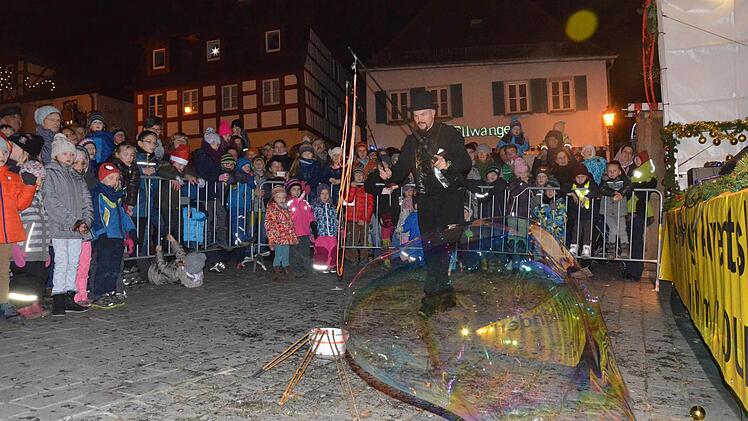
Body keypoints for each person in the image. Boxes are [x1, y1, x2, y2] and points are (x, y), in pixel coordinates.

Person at [378, 89, 471, 317]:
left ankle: (431, 297)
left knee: (442, 248)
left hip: (450, 200)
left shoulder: (449, 133)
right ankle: (445, 295)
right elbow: (401, 171)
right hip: (426, 201)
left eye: (423, 114)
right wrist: (389, 176)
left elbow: (464, 161)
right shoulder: (411, 141)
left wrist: (447, 163)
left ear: (433, 113)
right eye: (416, 115)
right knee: (432, 249)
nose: (419, 119)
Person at [44, 137, 92, 316]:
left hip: (77, 230)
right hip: (60, 228)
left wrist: (86, 222)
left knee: (74, 263)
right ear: (56, 154)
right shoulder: (50, 174)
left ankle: (70, 296)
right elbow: (51, 202)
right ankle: (58, 298)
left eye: (72, 154)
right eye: (65, 153)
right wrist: (73, 222)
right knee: (62, 262)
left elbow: (87, 202)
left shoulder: (77, 177)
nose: (70, 157)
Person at [89, 163, 136, 309]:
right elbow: (97, 215)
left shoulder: (117, 197)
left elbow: (123, 215)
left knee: (114, 267)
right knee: (103, 266)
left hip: (117, 236)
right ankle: (98, 294)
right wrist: (100, 232)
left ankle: (110, 290)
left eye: (116, 178)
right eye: (111, 178)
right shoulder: (99, 194)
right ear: (102, 179)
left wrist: (131, 229)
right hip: (105, 236)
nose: (114, 181)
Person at [0, 140, 37, 321]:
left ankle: (3, 302)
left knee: (3, 270)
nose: (2, 155)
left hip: (7, 233)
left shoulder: (12, 177)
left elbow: (20, 204)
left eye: (5, 152)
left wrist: (29, 187)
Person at [15, 160, 50, 317]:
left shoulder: (40, 198)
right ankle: (22, 305)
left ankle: (35, 302)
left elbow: (44, 224)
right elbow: (16, 222)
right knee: (24, 279)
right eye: (38, 179)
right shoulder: (21, 197)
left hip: (40, 248)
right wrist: (16, 247)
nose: (40, 183)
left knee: (39, 277)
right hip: (25, 248)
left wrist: (46, 248)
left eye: (42, 179)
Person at [625, 150, 657, 280]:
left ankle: (636, 271)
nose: (636, 161)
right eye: (636, 159)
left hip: (639, 211)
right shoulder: (632, 171)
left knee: (637, 240)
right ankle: (630, 269)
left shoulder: (649, 175)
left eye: (639, 159)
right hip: (629, 210)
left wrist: (633, 186)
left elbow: (647, 188)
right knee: (630, 240)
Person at [364, 157, 400, 268]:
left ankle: (386, 254)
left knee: (390, 231)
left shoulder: (394, 174)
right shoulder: (374, 175)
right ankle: (385, 256)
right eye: (380, 164)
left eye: (385, 164)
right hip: (381, 207)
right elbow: (367, 187)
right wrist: (381, 190)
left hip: (393, 207)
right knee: (384, 231)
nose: (382, 166)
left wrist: (396, 186)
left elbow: (405, 180)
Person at [562, 164, 599, 257]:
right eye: (577, 177)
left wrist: (587, 197)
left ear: (586, 176)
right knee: (576, 230)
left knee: (587, 230)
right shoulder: (572, 184)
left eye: (582, 176)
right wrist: (571, 193)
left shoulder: (590, 184)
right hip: (576, 213)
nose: (580, 179)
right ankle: (574, 247)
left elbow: (596, 190)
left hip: (588, 213)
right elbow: (563, 187)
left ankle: (586, 248)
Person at [598, 161, 633, 258]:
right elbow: (602, 189)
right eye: (610, 171)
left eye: (614, 171)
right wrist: (613, 193)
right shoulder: (604, 180)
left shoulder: (624, 180)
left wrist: (621, 193)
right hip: (607, 210)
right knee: (612, 228)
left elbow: (629, 186)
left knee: (622, 229)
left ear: (619, 172)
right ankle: (611, 250)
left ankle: (625, 249)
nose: (612, 173)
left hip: (620, 210)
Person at [265, 186, 298, 281]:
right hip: (278, 236)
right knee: (278, 253)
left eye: (283, 197)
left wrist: (291, 232)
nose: (281, 199)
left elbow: (289, 222)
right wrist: (273, 234)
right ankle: (277, 270)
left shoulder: (286, 208)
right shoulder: (272, 209)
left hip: (286, 236)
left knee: (286, 253)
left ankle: (286, 267)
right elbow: (268, 223)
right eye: (279, 197)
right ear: (274, 198)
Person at [285, 179, 315, 276]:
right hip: (293, 233)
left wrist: (312, 223)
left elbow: (310, 214)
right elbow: (292, 205)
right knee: (294, 252)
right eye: (294, 189)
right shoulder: (289, 203)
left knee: (305, 252)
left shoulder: (305, 203)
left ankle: (305, 268)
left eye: (298, 189)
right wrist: (299, 199)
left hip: (305, 232)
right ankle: (294, 269)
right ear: (289, 191)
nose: (297, 192)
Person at [345, 168, 373, 265]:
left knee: (364, 239)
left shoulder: (367, 188)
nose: (359, 177)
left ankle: (364, 258)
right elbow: (348, 200)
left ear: (364, 177)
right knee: (354, 239)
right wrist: (352, 188)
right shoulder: (351, 187)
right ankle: (354, 258)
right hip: (353, 218)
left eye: (360, 175)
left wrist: (364, 218)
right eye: (356, 175)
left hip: (364, 219)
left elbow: (370, 205)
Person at [530, 178, 567, 244]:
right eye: (547, 189)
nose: (550, 192)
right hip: (542, 234)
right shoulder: (542, 201)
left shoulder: (560, 202)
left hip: (556, 234)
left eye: (552, 190)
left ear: (556, 191)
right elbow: (536, 213)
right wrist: (549, 208)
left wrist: (549, 228)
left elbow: (562, 218)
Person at [312, 184, 338, 274]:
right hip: (321, 233)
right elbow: (312, 220)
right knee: (322, 250)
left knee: (333, 250)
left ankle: (332, 265)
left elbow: (336, 219)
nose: (325, 196)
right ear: (319, 194)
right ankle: (322, 266)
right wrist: (312, 232)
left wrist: (340, 229)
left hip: (332, 233)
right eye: (322, 193)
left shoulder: (332, 207)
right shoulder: (315, 207)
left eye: (327, 193)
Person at [108, 143, 140, 214]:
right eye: (126, 154)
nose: (129, 157)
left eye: (132, 155)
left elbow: (133, 185)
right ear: (117, 155)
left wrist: (130, 204)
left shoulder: (133, 168)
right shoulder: (111, 168)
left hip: (122, 201)